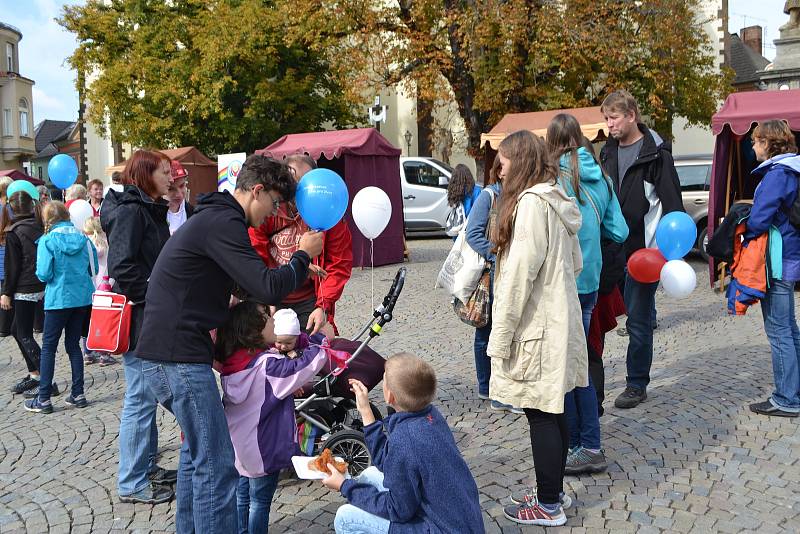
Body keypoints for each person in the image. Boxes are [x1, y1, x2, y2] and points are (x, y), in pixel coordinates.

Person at [135, 154, 324, 533]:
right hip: (178, 357)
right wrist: (302, 255)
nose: (272, 214)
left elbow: (242, 283)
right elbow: (266, 286)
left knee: (195, 456)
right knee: (218, 464)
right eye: (273, 203)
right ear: (257, 191)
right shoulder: (224, 222)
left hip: (166, 354)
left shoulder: (216, 218)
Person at [486, 130, 586, 526]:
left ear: (522, 161)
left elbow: (517, 279)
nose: (500, 166)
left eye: (505, 159)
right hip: (557, 318)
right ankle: (553, 492)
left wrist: (501, 336)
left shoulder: (531, 205)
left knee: (540, 411)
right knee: (553, 408)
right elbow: (575, 263)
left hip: (539, 326)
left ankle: (548, 505)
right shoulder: (556, 199)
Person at [546, 115, 628, 475]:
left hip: (561, 281)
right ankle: (582, 442)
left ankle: (583, 444)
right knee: (579, 362)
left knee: (568, 368)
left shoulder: (551, 179)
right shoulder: (602, 177)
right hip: (591, 282)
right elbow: (620, 230)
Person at [323, 353, 484, 533]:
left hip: (440, 528)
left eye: (384, 380)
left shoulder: (405, 438)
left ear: (389, 395)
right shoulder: (431, 415)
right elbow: (389, 462)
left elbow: (398, 510)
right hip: (460, 520)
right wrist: (366, 412)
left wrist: (345, 486)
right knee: (369, 474)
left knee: (345, 517)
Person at [599, 90, 683, 409]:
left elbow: (672, 203)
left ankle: (636, 383)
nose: (609, 125)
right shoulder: (607, 152)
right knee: (602, 318)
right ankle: (595, 384)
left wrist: (667, 252)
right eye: (607, 118)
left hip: (643, 253)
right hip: (611, 251)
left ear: (631, 115)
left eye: (614, 118)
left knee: (637, 320)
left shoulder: (656, 153)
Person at [101, 149, 176, 504]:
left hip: (150, 318)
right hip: (141, 321)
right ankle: (132, 481)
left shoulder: (148, 208)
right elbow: (122, 268)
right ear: (145, 174)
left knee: (144, 398)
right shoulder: (132, 212)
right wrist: (158, 295)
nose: (171, 177)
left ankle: (145, 467)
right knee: (140, 401)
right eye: (164, 171)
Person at [216, 301, 328, 533]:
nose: (272, 320)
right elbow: (308, 364)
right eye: (267, 318)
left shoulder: (233, 361)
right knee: (260, 502)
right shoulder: (269, 367)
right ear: (254, 329)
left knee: (242, 497)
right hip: (263, 448)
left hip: (239, 446)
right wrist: (322, 340)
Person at [249, 154, 352, 335]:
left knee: (323, 341)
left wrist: (323, 306)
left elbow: (339, 264)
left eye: (306, 184)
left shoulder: (328, 211)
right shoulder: (268, 210)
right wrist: (264, 299)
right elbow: (255, 255)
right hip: (274, 294)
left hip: (310, 299)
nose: (299, 190)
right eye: (293, 183)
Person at [744, 120, 800, 417]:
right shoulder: (793, 168)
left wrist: (745, 233)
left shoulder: (778, 173)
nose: (752, 146)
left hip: (777, 259)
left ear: (768, 143)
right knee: (789, 328)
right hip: (790, 255)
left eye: (755, 141)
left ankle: (786, 398)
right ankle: (795, 391)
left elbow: (759, 218)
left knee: (779, 330)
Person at [24, 201, 98, 413]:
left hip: (58, 299)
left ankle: (44, 398)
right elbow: (91, 266)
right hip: (81, 298)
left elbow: (44, 274)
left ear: (48, 220)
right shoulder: (83, 238)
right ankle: (78, 393)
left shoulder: (47, 241)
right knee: (73, 345)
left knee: (49, 348)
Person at [465, 157, 521, 413]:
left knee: (502, 326)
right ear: (498, 170)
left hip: (511, 270)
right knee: (486, 327)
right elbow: (473, 233)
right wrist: (496, 253)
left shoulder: (521, 195)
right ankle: (486, 384)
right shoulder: (489, 196)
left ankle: (498, 385)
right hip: (492, 270)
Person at [1, 191, 50, 395]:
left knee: (24, 334)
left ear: (12, 209)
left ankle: (46, 379)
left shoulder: (14, 231)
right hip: (38, 283)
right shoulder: (38, 226)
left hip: (24, 287)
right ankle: (35, 373)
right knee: (15, 330)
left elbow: (12, 267)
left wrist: (6, 293)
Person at [82, 217, 116, 366]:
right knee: (103, 320)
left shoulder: (84, 242)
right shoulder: (105, 240)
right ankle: (104, 354)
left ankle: (88, 352)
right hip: (105, 283)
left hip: (90, 284)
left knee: (88, 321)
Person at [165, 160, 193, 235]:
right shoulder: (153, 215)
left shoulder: (193, 213)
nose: (179, 194)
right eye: (171, 189)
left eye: (182, 186)